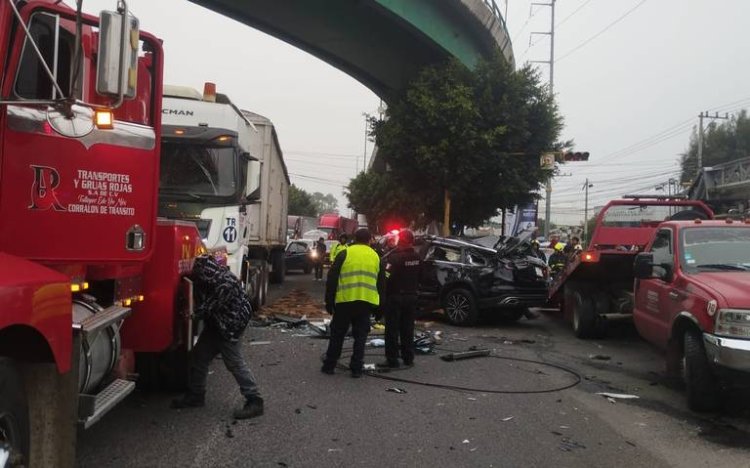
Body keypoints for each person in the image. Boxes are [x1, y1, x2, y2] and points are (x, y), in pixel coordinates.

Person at [171, 255, 263, 419]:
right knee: (200, 356)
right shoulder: (214, 276)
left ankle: (254, 400)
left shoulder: (223, 285)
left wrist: (189, 315)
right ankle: (196, 395)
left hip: (230, 326)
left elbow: (206, 308)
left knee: (234, 363)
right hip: (217, 323)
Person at [321, 228, 385, 378]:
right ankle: (356, 368)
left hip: (345, 301)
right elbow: (381, 285)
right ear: (370, 240)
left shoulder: (345, 253)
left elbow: (332, 279)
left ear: (354, 239)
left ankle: (329, 365)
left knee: (338, 334)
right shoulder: (376, 257)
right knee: (360, 336)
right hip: (365, 303)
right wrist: (380, 307)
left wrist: (329, 301)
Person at [379, 229, 421, 369]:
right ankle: (408, 357)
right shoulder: (417, 257)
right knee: (408, 328)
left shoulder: (394, 257)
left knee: (392, 329)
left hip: (396, 297)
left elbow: (386, 277)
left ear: (400, 240)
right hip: (411, 297)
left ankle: (392, 360)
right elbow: (423, 276)